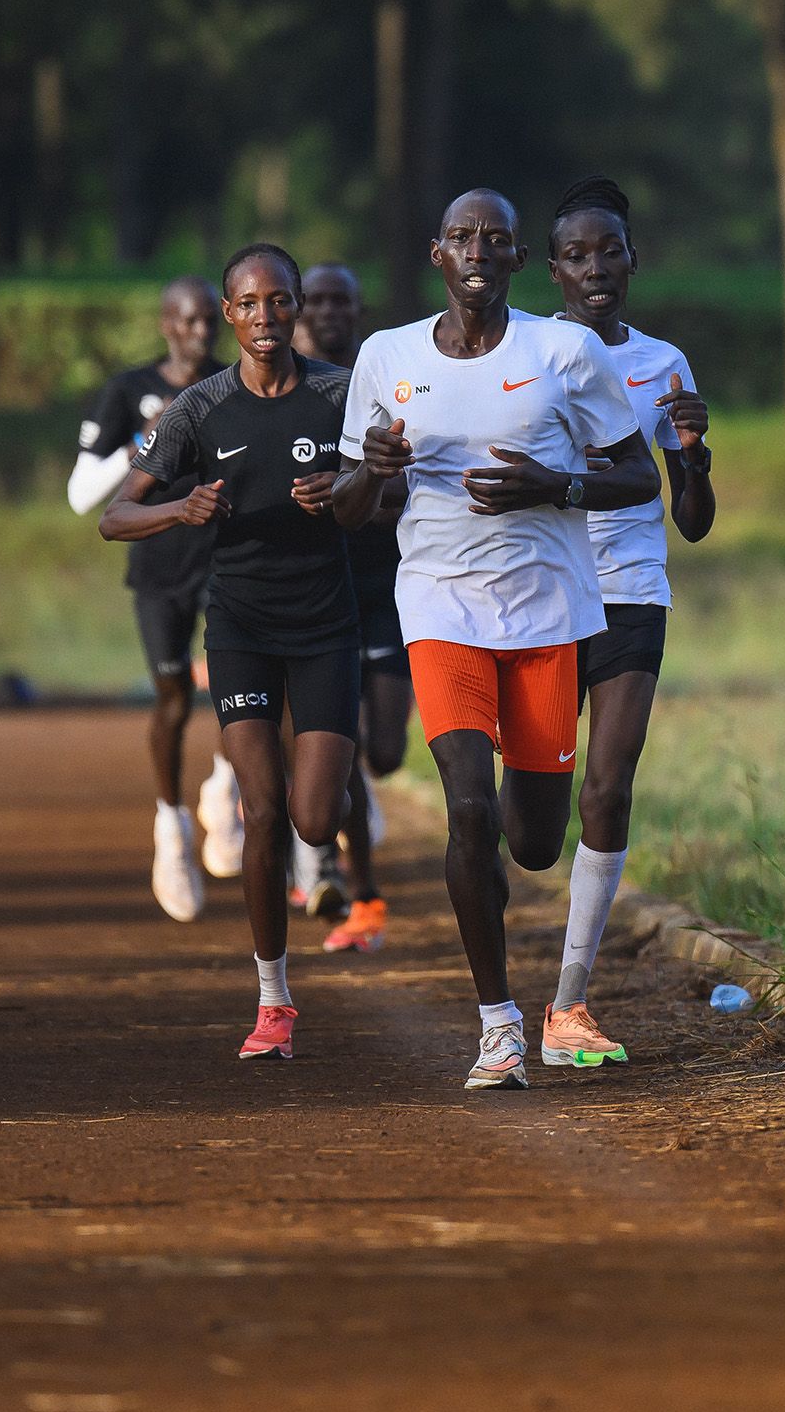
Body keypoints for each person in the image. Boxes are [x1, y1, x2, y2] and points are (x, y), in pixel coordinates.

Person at [333, 189, 659, 1089]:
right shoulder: (385, 357)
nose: (479, 249)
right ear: (437, 252)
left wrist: (553, 487)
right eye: (463, 236)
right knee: (467, 808)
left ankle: (516, 965)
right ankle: (499, 1023)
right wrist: (371, 469)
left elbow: (637, 475)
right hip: (439, 606)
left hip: (551, 612)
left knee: (533, 840)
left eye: (497, 239)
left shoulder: (565, 351)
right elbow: (350, 507)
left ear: (519, 260)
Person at [103, 244, 359, 1061]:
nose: (264, 318)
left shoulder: (339, 393)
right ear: (228, 315)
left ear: (298, 309)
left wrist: (345, 493)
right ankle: (273, 998)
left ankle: (332, 860)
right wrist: (181, 507)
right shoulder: (198, 408)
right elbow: (115, 515)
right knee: (264, 809)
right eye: (247, 305)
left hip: (326, 626)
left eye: (278, 302)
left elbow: (390, 492)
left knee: (315, 817)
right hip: (242, 628)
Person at [542, 175, 716, 1068]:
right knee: (531, 822)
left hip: (631, 588)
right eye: (577, 254)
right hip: (538, 593)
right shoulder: (524, 356)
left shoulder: (664, 361)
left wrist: (694, 455)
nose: (596, 268)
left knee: (606, 788)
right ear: (554, 269)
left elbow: (692, 518)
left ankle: (569, 1002)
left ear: (633, 259)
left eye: (610, 250)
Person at [68, 276, 226, 922]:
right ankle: (171, 829)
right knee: (172, 700)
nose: (199, 333)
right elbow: (82, 496)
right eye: (186, 322)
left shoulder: (230, 384)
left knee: (242, 682)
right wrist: (147, 439)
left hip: (223, 562)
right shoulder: (128, 391)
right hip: (159, 571)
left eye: (207, 321)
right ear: (165, 323)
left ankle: (225, 786)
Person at [294, 262, 409, 953]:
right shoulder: (289, 391)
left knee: (386, 752)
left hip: (389, 587)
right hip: (317, 591)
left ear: (360, 310)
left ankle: (339, 826)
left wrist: (358, 496)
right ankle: (357, 891)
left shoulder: (386, 385)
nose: (332, 312)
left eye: (345, 299)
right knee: (348, 748)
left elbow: (410, 482)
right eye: (319, 301)